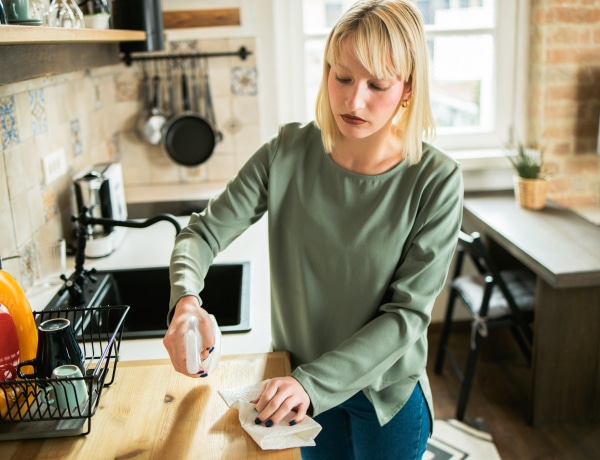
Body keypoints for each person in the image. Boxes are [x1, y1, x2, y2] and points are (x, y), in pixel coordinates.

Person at [163, 0, 463, 458]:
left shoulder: (435, 179)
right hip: (297, 393)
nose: (353, 100)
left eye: (376, 84)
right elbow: (201, 234)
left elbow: (407, 316)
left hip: (382, 398)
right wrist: (185, 300)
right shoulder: (287, 152)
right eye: (341, 76)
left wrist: (309, 383)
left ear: (407, 89)